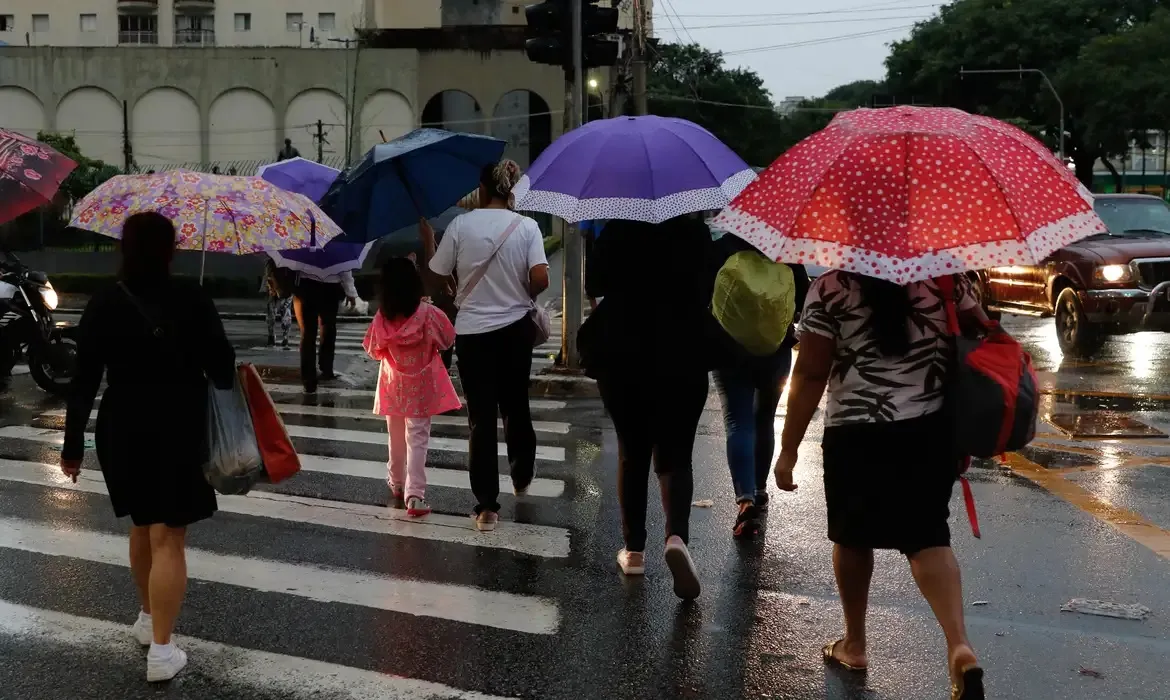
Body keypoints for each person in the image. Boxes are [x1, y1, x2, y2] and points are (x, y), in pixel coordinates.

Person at [774, 271, 985, 699]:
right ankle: (958, 644)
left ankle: (854, 644)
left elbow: (812, 373)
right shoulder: (948, 279)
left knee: (852, 538)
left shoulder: (830, 289)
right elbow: (980, 338)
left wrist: (789, 448)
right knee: (928, 537)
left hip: (856, 431)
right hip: (928, 431)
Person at [60, 211, 235, 682]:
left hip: (123, 425)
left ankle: (145, 616)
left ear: (125, 249)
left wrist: (71, 445)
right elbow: (222, 368)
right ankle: (162, 650)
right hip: (177, 423)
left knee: (142, 524)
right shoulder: (191, 297)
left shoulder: (104, 302)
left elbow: (84, 381)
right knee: (168, 534)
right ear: (170, 250)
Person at [580, 215, 728, 600]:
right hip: (684, 351)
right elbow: (711, 285)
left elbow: (592, 284)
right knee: (677, 452)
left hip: (622, 351)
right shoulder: (694, 231)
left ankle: (634, 551)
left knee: (633, 451)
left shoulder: (619, 228)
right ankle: (676, 536)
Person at [424, 160, 549, 532]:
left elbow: (436, 274)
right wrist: (521, 291)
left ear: (481, 188)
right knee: (516, 405)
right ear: (510, 190)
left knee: (480, 417)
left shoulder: (461, 226)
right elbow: (540, 277)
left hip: (474, 334)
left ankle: (486, 508)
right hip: (515, 331)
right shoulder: (527, 226)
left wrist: (428, 239)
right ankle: (522, 474)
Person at [712, 233, 810, 540]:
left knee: (737, 421)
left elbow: (705, 295)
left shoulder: (722, 247)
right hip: (776, 350)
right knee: (764, 417)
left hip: (728, 349)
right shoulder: (785, 246)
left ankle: (745, 500)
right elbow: (803, 300)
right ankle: (761, 488)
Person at [363, 257, 460, 517]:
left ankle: (396, 482)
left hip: (392, 383)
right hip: (421, 384)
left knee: (395, 435)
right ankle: (415, 495)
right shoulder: (428, 314)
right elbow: (448, 339)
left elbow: (372, 349)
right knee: (417, 437)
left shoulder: (382, 317)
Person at [292, 269, 358, 394]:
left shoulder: (302, 249)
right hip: (330, 287)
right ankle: (326, 369)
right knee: (328, 327)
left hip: (305, 286)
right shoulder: (335, 249)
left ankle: (308, 380)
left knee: (307, 333)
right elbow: (344, 268)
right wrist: (350, 291)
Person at [261, 258, 293, 348]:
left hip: (283, 290)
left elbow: (268, 276)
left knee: (283, 314)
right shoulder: (272, 261)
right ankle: (277, 337)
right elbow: (268, 276)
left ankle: (281, 337)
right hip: (277, 291)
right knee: (277, 314)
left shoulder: (273, 260)